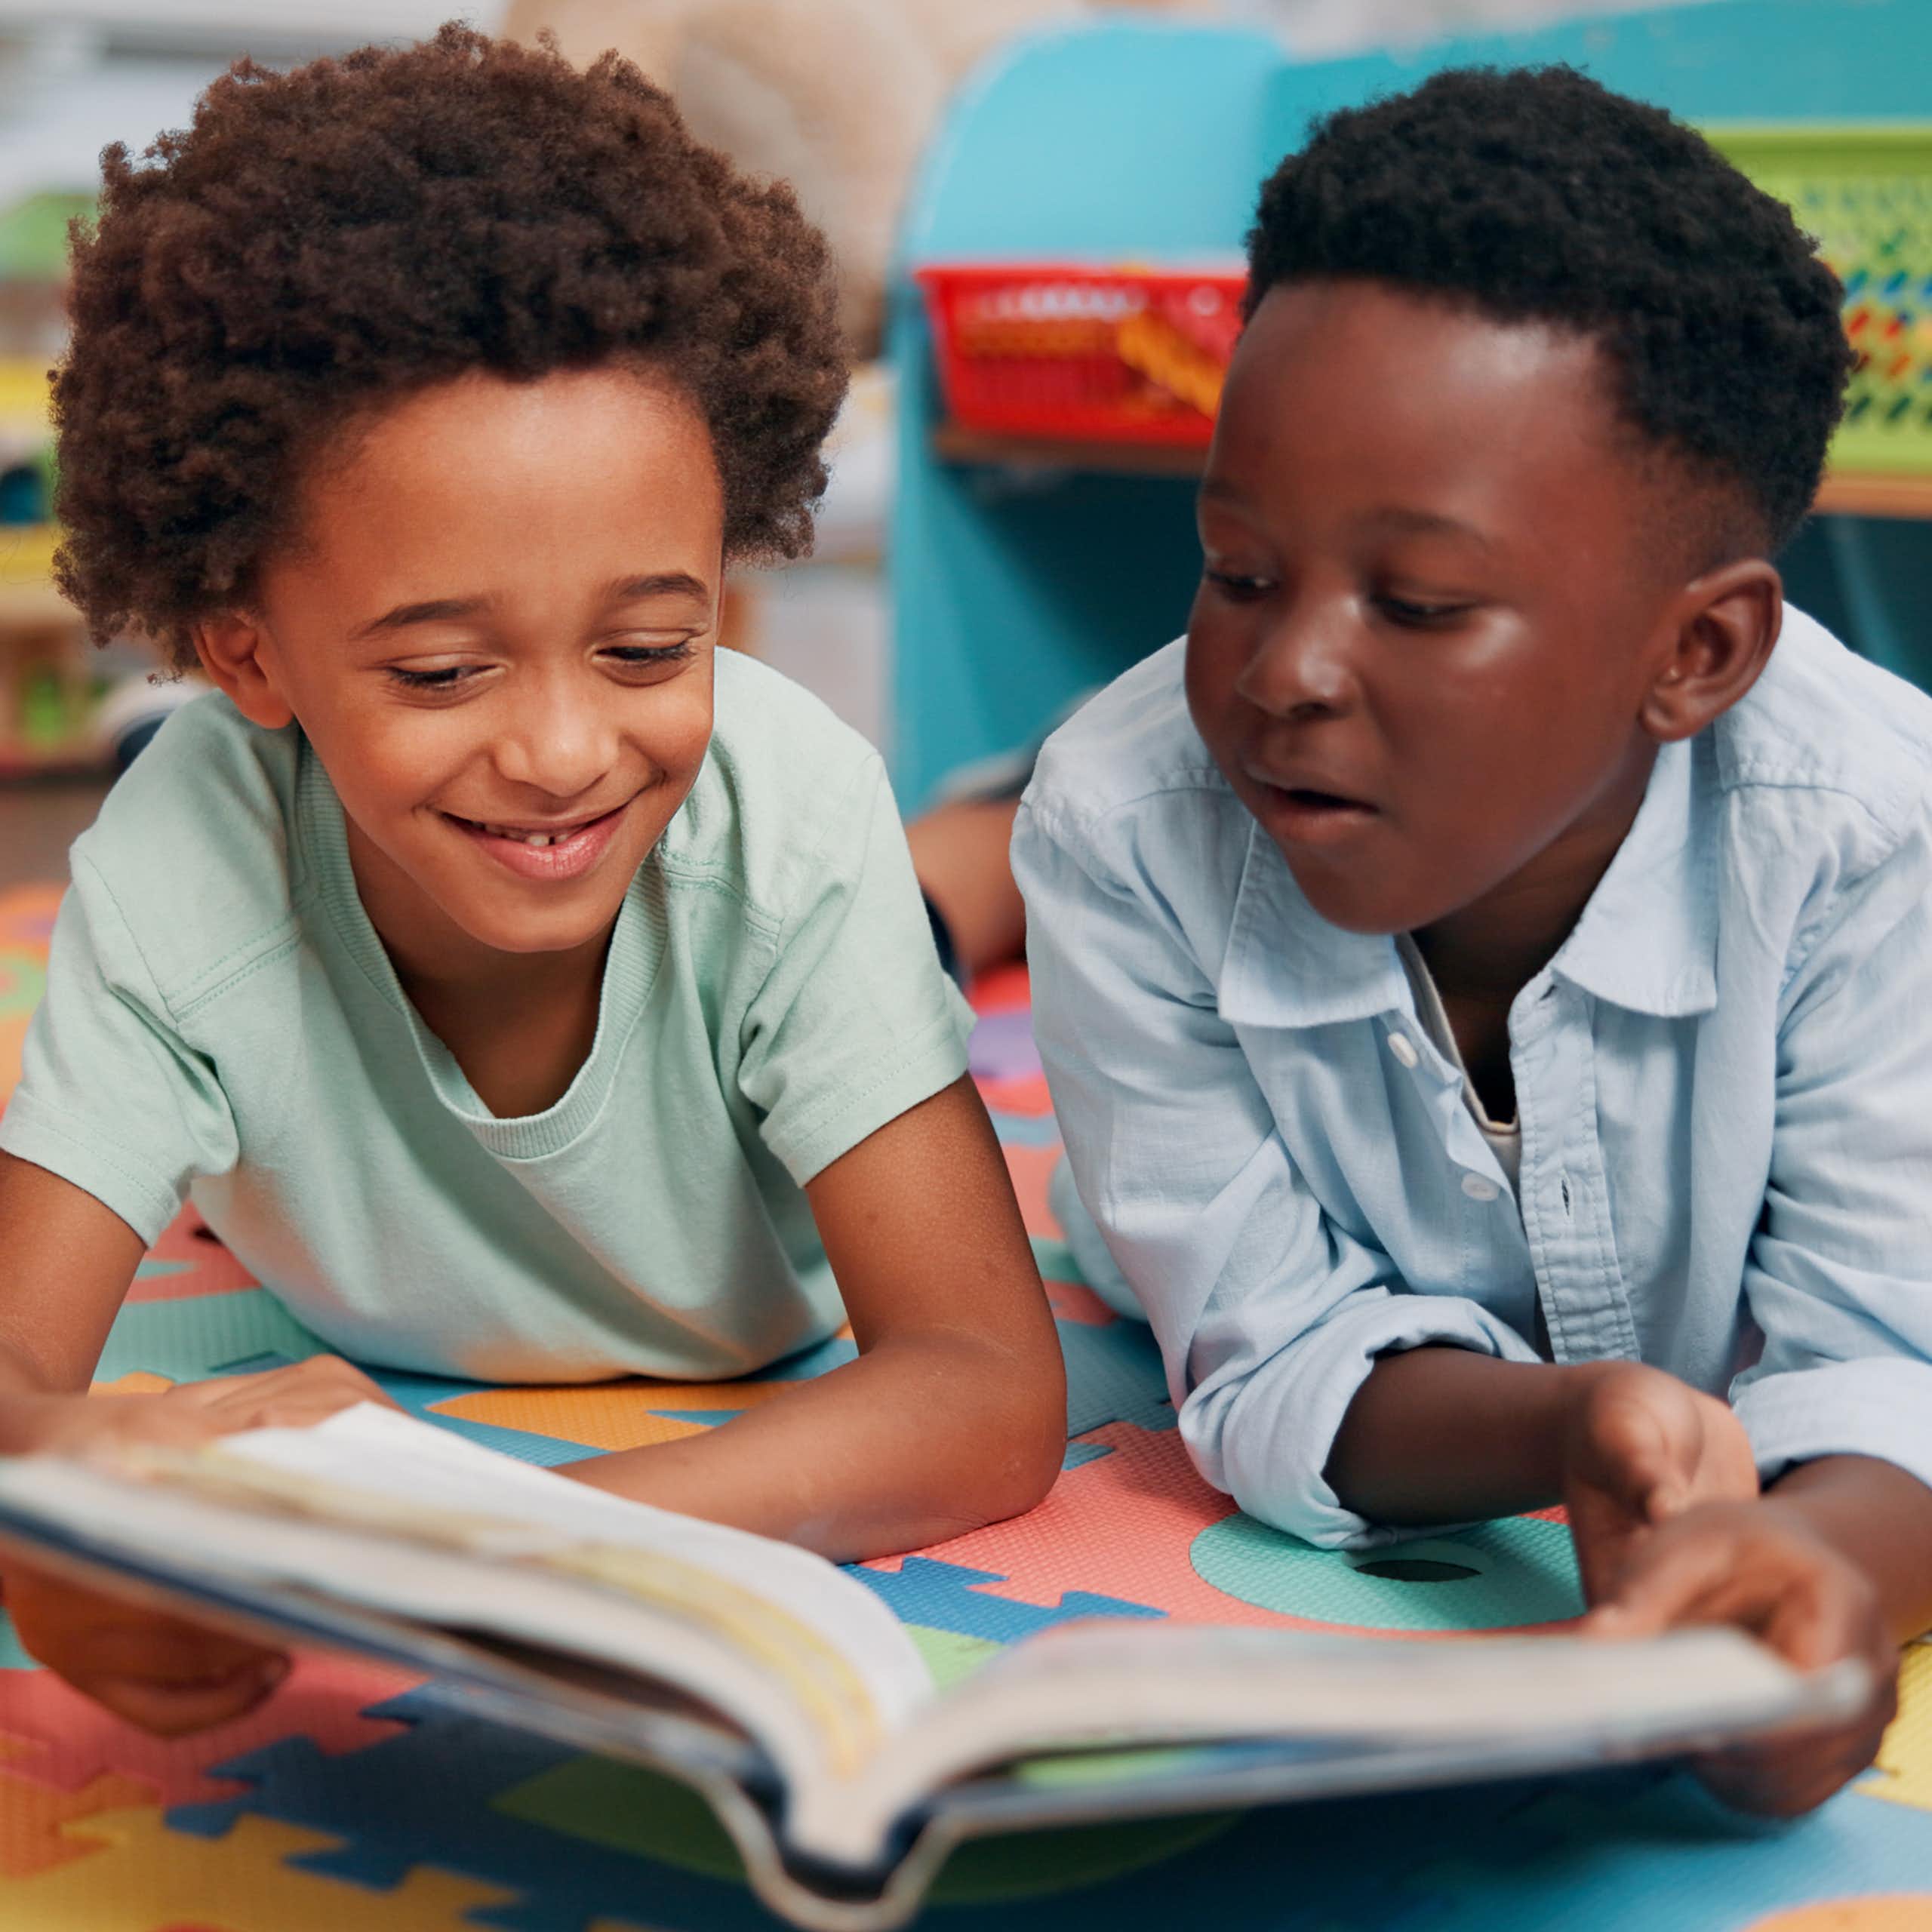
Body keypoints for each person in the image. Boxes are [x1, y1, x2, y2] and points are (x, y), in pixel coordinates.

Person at [0, 26, 1063, 1740]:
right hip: (327, 885)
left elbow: (984, 1391)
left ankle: (1005, 824)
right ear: (244, 646)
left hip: (755, 929)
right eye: (441, 673)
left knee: (931, 890)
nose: (564, 745)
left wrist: (512, 1554)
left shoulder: (773, 821)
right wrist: (63, 1500)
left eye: (652, 641)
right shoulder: (186, 860)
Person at [1013, 65, 1932, 1817]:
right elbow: (1269, 1351)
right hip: (1210, 1302)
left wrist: (1807, 1590)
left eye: (1418, 606)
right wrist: (1563, 1426)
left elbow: (1885, 1361)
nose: (1285, 673)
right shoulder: (1121, 822)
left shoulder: (1863, 833)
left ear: (1698, 656)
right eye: (1233, 568)